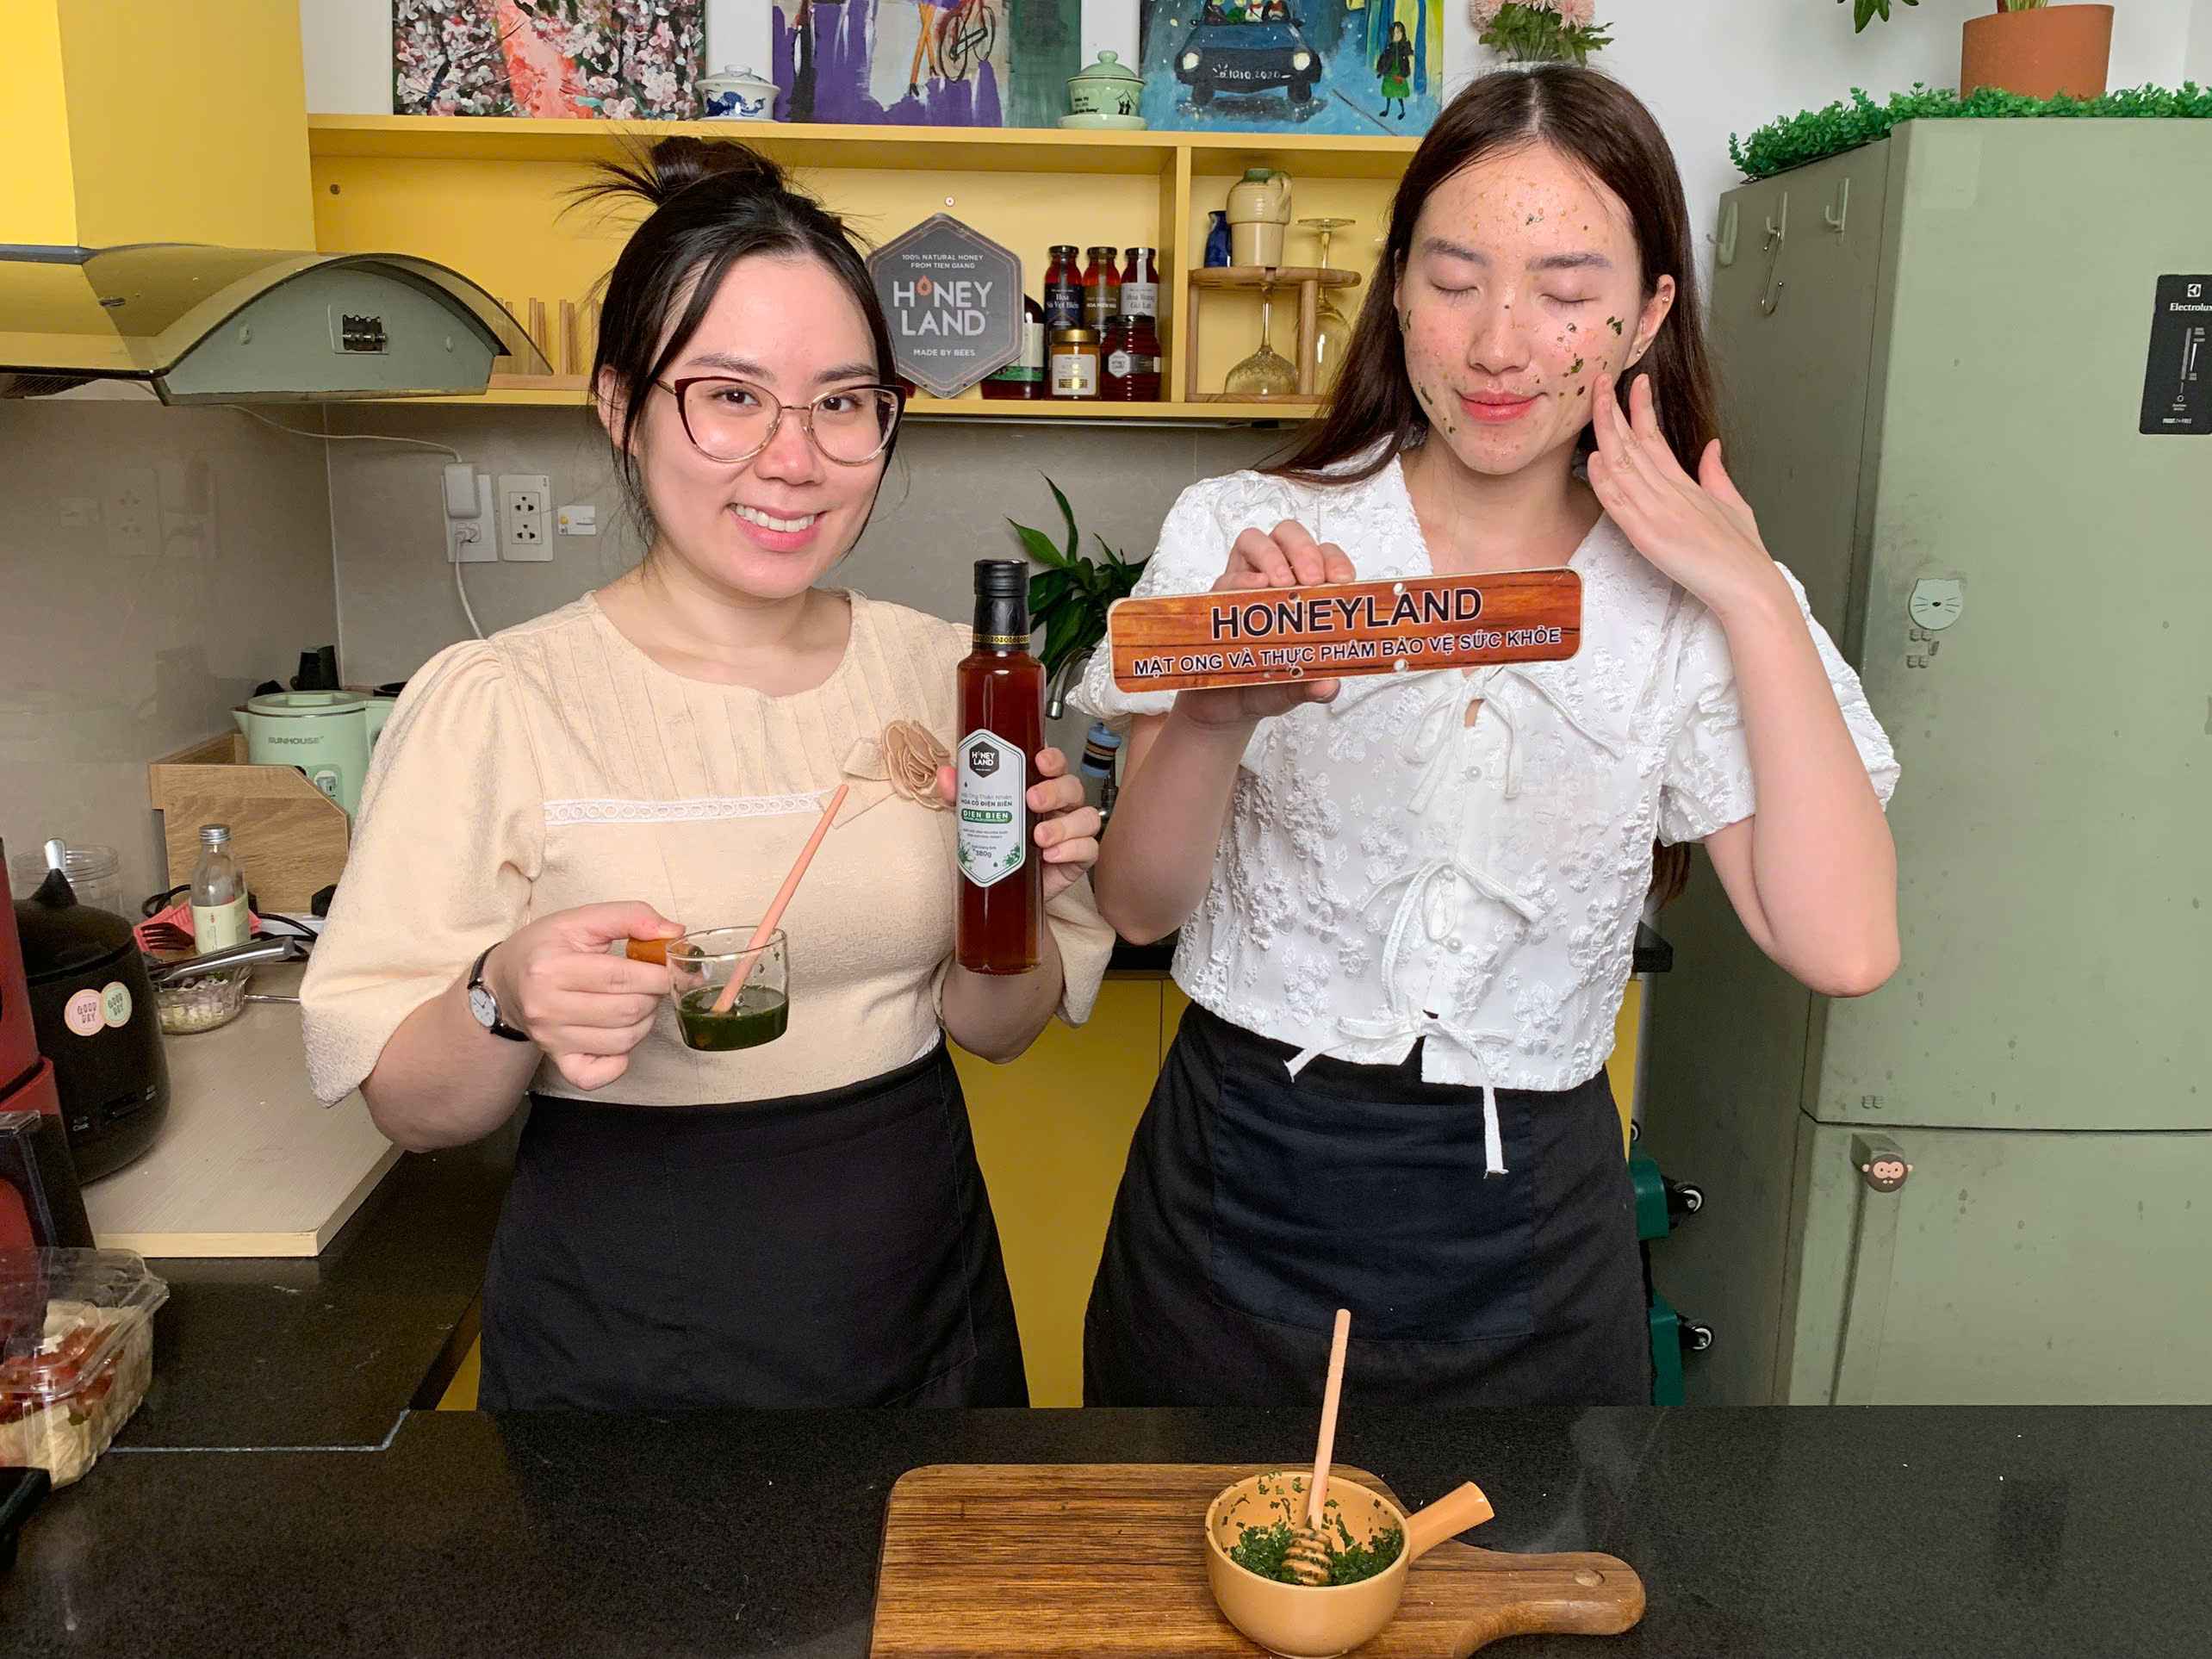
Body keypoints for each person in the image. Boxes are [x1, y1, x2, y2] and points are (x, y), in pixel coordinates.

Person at [1074, 66, 1899, 1409]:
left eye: (1566, 291)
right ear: (1398, 288)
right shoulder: (1248, 528)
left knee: (1527, 1543)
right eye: (1455, 281)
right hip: (1235, 1182)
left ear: (1648, 314)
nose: (1501, 345)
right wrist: (1218, 715)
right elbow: (1135, 902)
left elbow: (1845, 944)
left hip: (1532, 1229)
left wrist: (1749, 593)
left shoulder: (1702, 597)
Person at [301, 140, 1112, 1412]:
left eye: (843, 402)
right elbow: (412, 1107)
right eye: (731, 396)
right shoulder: (499, 701)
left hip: (918, 1296)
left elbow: (995, 1032)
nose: (796, 458)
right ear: (621, 407)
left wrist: (1016, 892)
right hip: (623, 1322)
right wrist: (504, 994)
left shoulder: (946, 675)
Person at [1376, 21, 1414, 121]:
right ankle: (1387, 110)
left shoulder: (1403, 47)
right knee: (1389, 93)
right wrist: (1381, 72)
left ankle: (1402, 111)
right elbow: (1384, 60)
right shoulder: (1390, 48)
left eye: (1399, 32)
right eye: (1395, 33)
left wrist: (1403, 74)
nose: (1397, 35)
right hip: (1390, 73)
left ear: (1403, 33)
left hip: (1399, 73)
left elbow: (1406, 61)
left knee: (1399, 94)